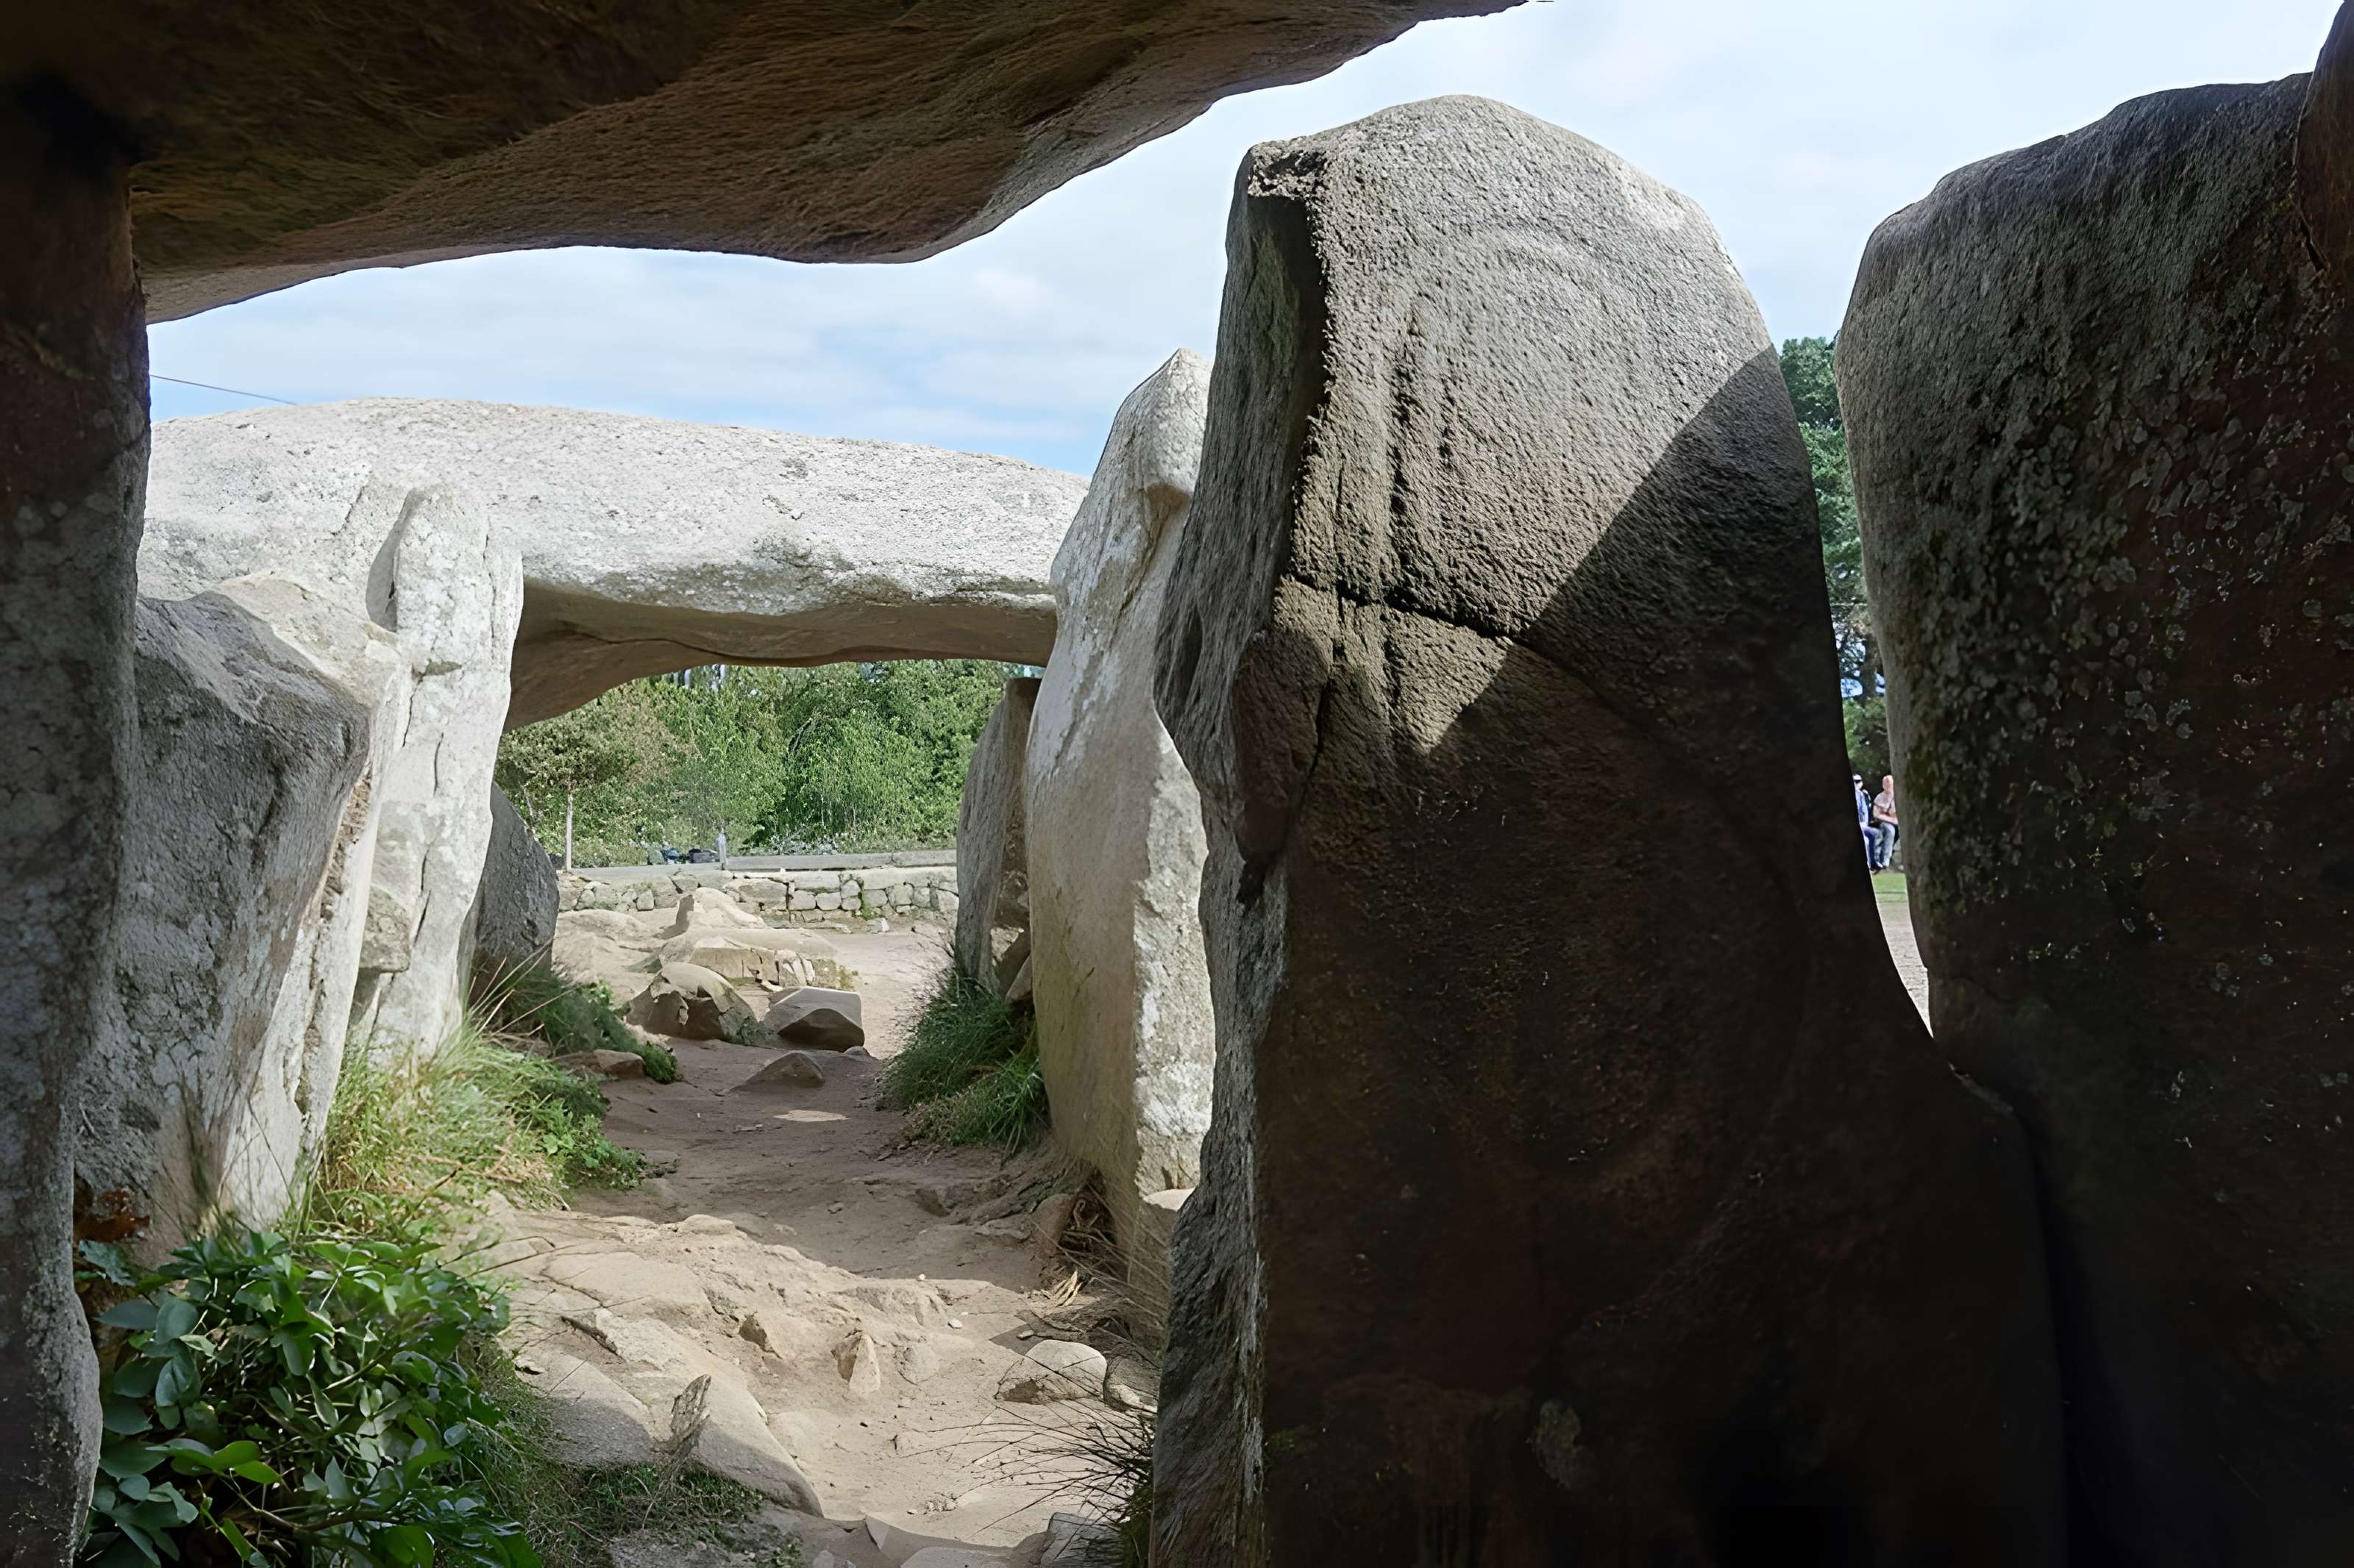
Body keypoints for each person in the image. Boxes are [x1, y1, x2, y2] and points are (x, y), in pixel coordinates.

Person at [1871, 774, 1900, 871]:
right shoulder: (1880, 797)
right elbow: (1876, 814)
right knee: (1890, 831)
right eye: (1885, 784)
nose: (1887, 786)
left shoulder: (1898, 796)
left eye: (1889, 784)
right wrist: (1891, 820)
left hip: (1898, 822)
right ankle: (1885, 861)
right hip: (1884, 822)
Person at [1853, 774, 1875, 864]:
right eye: (1854, 781)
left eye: (1858, 781)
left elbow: (1865, 811)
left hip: (1863, 824)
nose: (1856, 783)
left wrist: (1864, 824)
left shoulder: (1862, 794)